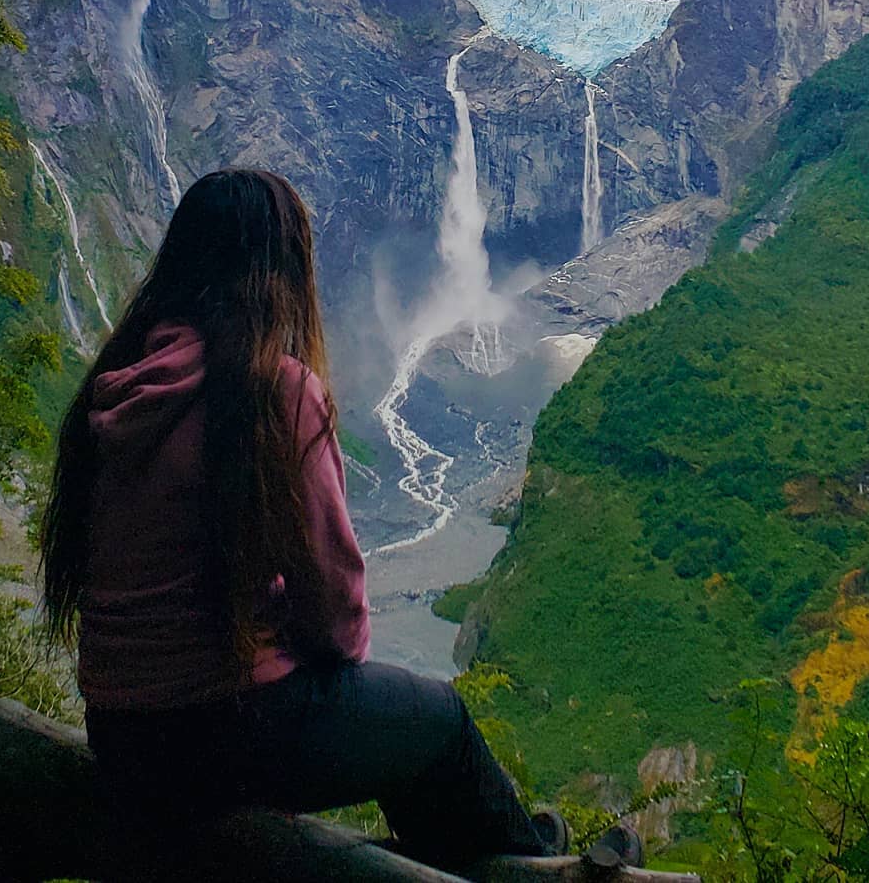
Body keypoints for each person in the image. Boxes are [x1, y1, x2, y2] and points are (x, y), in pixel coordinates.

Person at [39, 167, 558, 872]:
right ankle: (523, 864)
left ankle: (515, 855)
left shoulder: (115, 385)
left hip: (121, 733)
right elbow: (333, 601)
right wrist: (326, 660)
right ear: (281, 272)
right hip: (227, 731)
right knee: (438, 723)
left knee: (411, 746)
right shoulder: (271, 391)